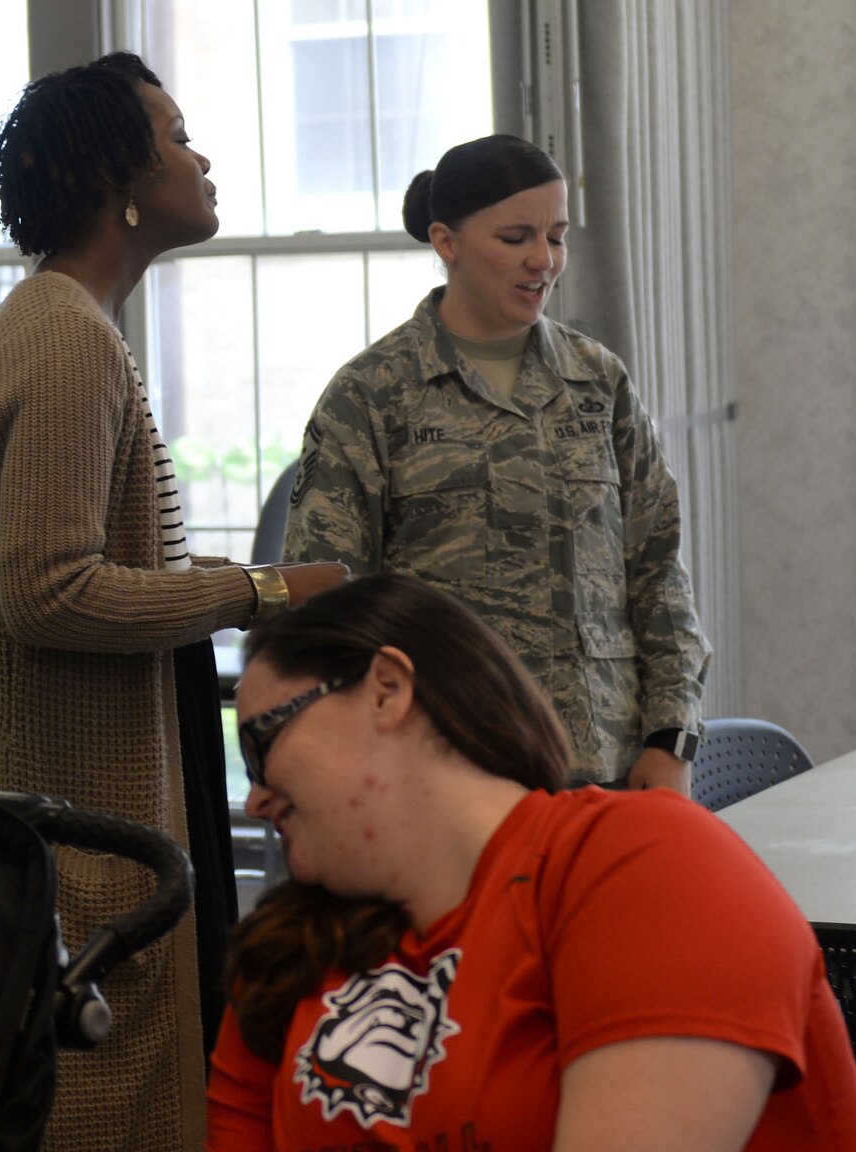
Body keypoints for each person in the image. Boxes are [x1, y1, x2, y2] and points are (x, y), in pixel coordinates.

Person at [199, 573, 856, 1152]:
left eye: (263, 740)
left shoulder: (638, 857)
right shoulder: (280, 964)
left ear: (386, 689)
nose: (255, 796)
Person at [0, 52, 346, 1152]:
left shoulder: (69, 328)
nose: (200, 158)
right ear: (116, 178)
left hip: (93, 812)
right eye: (175, 135)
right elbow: (47, 589)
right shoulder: (62, 337)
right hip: (77, 842)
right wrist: (263, 591)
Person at [282, 134, 708, 792]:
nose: (544, 261)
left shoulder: (598, 381)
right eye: (515, 238)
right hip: (447, 777)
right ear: (446, 242)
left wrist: (671, 739)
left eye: (557, 236)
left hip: (607, 772)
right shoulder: (371, 396)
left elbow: (657, 571)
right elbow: (328, 606)